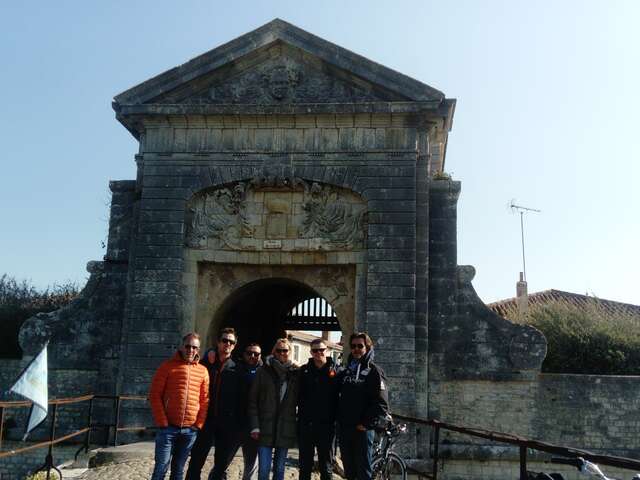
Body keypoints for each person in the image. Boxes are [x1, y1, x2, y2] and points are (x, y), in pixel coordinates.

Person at [149, 332, 210, 480]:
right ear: (182, 347)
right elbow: (154, 395)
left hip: (189, 431)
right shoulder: (167, 367)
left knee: (178, 471)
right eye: (188, 346)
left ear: (198, 350)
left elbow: (205, 400)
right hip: (168, 429)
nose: (191, 350)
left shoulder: (203, 371)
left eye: (194, 347)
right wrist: (163, 423)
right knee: (160, 469)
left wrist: (198, 424)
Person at [186, 328, 243, 480]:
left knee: (221, 465)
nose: (227, 344)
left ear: (235, 345)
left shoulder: (238, 368)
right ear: (218, 342)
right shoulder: (205, 363)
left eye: (231, 342)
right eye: (224, 340)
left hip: (226, 423)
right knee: (196, 461)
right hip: (206, 421)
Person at [337, 332, 390, 480]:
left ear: (367, 347)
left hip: (362, 431)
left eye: (360, 346)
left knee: (363, 472)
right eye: (353, 346)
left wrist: (366, 424)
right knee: (349, 471)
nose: (356, 349)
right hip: (346, 428)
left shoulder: (375, 372)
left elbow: (382, 404)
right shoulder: (347, 371)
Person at [248, 338, 299, 480]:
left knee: (280, 470)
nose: (282, 353)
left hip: (285, 428)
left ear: (290, 352)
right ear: (273, 352)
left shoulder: (295, 373)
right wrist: (255, 426)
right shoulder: (263, 372)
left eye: (285, 350)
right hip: (265, 427)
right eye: (279, 350)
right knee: (263, 470)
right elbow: (253, 400)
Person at [297, 338, 339, 480]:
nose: (318, 353)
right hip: (307, 425)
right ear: (311, 352)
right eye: (315, 350)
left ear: (327, 351)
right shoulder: (304, 371)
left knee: (326, 467)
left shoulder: (336, 372)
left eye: (321, 350)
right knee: (304, 467)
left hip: (327, 427)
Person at [238, 343, 263, 480]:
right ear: (243, 353)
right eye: (249, 353)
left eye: (256, 354)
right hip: (235, 423)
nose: (252, 356)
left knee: (251, 465)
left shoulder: (265, 372)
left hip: (254, 425)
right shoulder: (234, 368)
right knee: (222, 461)